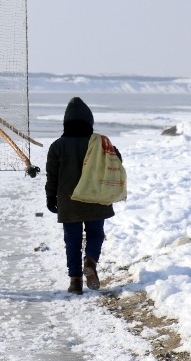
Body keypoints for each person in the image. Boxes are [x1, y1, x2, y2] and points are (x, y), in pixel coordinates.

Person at [45, 96, 121, 295]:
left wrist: (50, 198)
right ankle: (91, 260)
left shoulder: (57, 146)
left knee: (72, 240)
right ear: (89, 122)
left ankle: (75, 281)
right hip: (97, 198)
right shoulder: (101, 143)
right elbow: (116, 161)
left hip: (69, 201)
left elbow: (52, 177)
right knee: (96, 234)